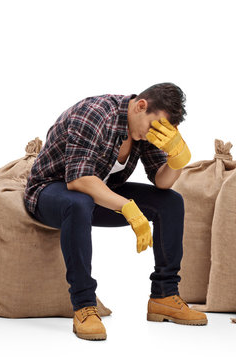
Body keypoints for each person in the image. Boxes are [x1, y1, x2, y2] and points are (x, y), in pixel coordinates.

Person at [24, 82, 207, 341]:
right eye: (156, 125)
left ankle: (164, 296)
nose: (157, 133)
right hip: (50, 192)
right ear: (141, 106)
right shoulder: (95, 114)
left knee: (171, 202)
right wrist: (126, 207)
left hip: (100, 194)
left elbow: (162, 182)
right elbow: (79, 180)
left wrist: (178, 158)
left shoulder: (145, 131)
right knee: (79, 202)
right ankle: (84, 306)